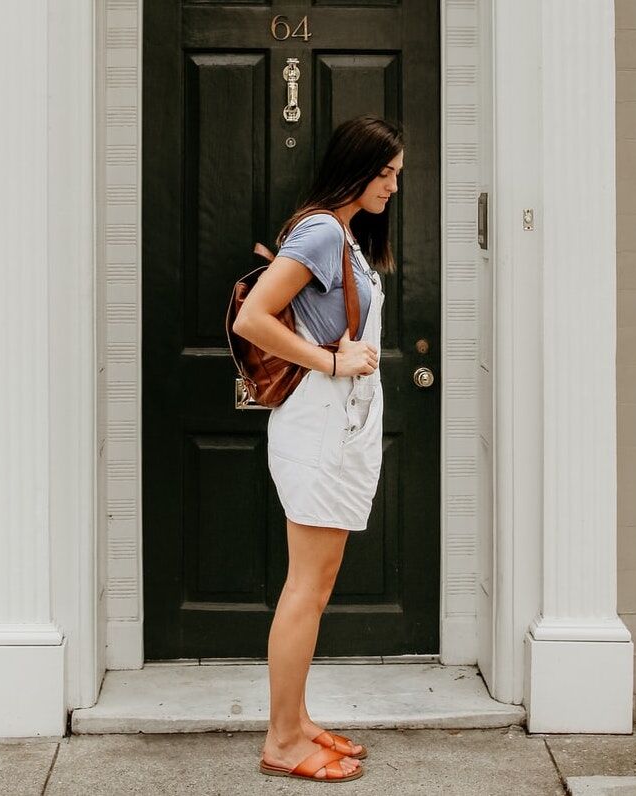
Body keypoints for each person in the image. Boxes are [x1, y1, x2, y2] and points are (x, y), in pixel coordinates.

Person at [232, 114, 403, 783]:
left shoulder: (344, 234)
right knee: (306, 587)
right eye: (384, 173)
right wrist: (331, 362)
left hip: (337, 427)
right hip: (319, 429)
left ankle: (298, 720)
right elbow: (253, 318)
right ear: (355, 169)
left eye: (397, 175)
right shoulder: (324, 230)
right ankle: (281, 741)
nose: (392, 186)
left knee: (314, 585)